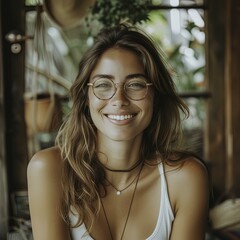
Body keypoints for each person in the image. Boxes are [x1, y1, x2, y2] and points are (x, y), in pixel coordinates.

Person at [27, 23, 209, 240]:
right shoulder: (49, 169)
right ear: (86, 98)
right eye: (104, 84)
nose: (119, 100)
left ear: (155, 95)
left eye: (135, 84)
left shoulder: (185, 178)